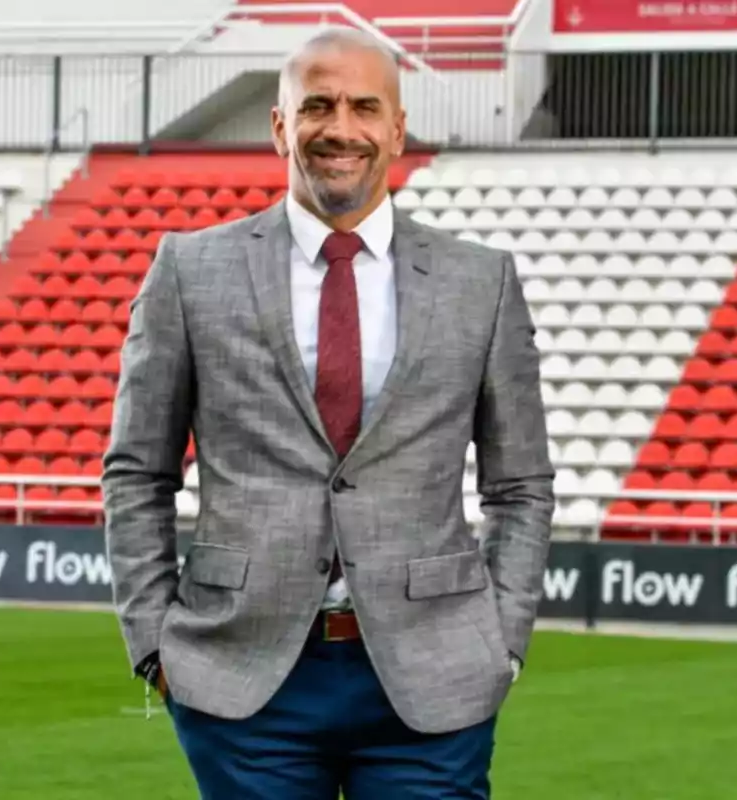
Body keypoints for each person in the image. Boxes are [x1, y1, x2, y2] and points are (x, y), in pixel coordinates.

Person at [102, 27, 555, 800]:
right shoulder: (190, 270)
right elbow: (138, 470)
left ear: (396, 129)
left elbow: (521, 485)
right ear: (280, 126)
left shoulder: (480, 282)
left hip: (434, 676)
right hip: (242, 680)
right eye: (316, 105)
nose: (340, 128)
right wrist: (154, 642)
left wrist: (502, 641)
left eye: (363, 107)